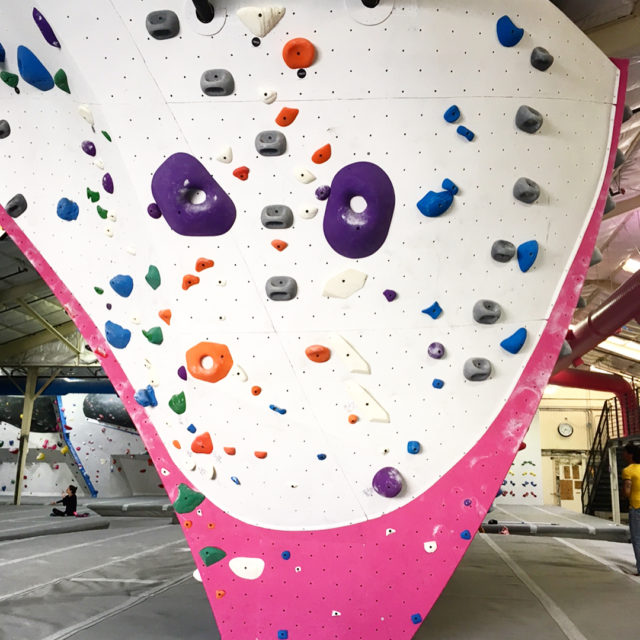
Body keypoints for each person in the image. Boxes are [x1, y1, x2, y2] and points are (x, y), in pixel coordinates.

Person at [622, 443, 640, 576]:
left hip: (636, 507)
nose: (623, 455)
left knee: (637, 539)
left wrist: (623, 494)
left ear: (630, 455)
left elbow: (627, 491)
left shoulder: (628, 470)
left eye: (625, 453)